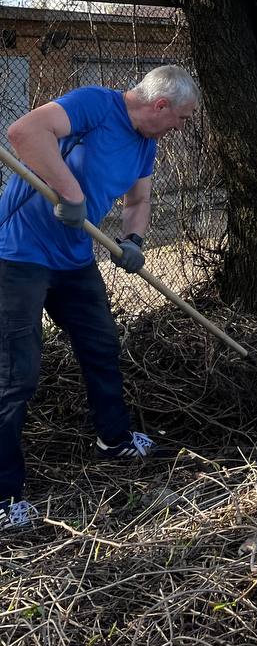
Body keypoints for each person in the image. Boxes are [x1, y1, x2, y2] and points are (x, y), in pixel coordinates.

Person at [0, 65, 199, 531]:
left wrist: (133, 240)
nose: (182, 127)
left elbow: (138, 201)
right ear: (160, 105)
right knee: (16, 375)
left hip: (73, 260)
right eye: (183, 117)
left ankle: (114, 438)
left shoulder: (146, 144)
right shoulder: (95, 104)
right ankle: (5, 496)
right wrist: (69, 190)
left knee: (101, 347)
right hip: (19, 256)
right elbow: (24, 132)